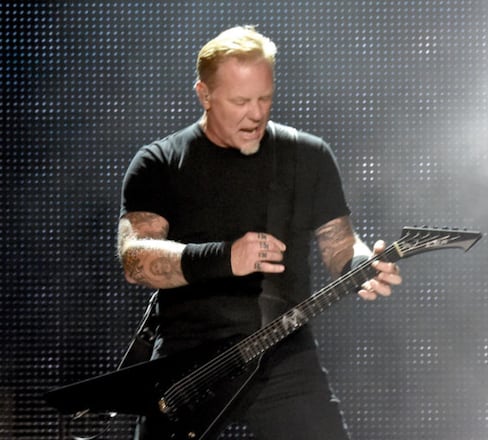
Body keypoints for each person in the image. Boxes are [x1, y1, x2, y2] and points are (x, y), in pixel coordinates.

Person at [116, 25, 402, 440]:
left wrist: (362, 265)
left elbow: (340, 243)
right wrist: (225, 257)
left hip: (284, 357)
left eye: (265, 98)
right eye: (240, 101)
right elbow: (135, 260)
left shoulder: (306, 155)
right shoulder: (159, 162)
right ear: (204, 94)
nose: (256, 113)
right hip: (186, 367)